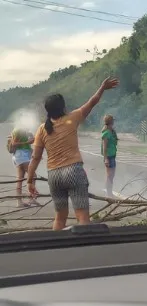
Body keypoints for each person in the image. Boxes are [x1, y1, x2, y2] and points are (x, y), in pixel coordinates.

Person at [28, 76, 120, 230]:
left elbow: (35, 158)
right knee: (82, 217)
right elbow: (92, 102)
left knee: (60, 217)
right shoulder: (73, 117)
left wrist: (30, 181)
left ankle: (56, 248)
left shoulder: (42, 129)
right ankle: (83, 250)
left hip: (54, 175)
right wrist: (102, 87)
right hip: (73, 171)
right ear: (63, 107)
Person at [8, 127, 38, 208]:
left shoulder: (26, 130)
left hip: (21, 156)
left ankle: (19, 202)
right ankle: (31, 198)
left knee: (20, 179)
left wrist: (33, 152)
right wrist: (27, 142)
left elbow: (27, 146)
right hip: (21, 156)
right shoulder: (18, 129)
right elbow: (14, 143)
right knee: (33, 176)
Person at [100, 114, 118, 197]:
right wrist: (106, 158)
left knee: (112, 176)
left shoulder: (111, 131)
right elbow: (104, 146)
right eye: (113, 120)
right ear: (111, 122)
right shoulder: (106, 133)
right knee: (109, 175)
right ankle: (109, 193)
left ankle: (110, 192)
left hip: (112, 155)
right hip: (109, 156)